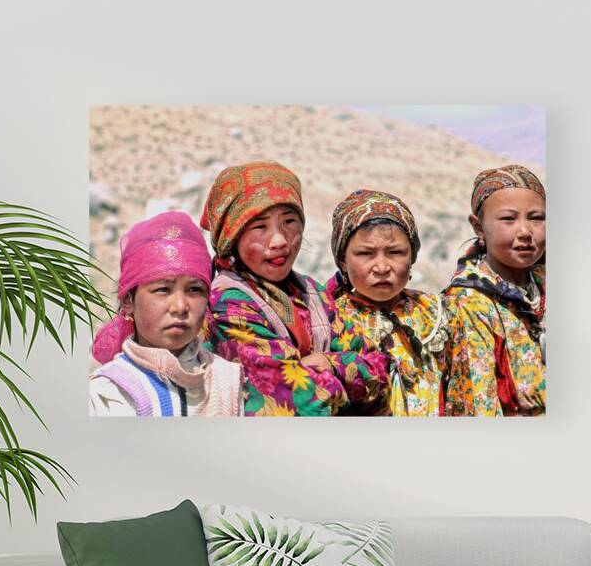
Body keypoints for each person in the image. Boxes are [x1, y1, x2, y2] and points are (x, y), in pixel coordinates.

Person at [201, 161, 387, 417]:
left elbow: (380, 370)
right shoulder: (227, 303)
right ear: (232, 236)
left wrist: (330, 364)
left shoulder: (313, 293)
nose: (279, 241)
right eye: (260, 227)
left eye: (289, 221)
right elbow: (301, 399)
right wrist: (348, 373)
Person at [89, 211, 243, 417]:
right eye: (163, 290)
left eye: (194, 289)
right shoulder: (107, 393)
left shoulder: (228, 381)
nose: (180, 306)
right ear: (128, 300)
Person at [327, 189, 445, 416]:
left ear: (412, 257)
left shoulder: (437, 314)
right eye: (365, 253)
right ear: (342, 260)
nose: (382, 268)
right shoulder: (331, 321)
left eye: (395, 252)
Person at [441, 165, 546, 416]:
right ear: (479, 228)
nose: (525, 232)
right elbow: (479, 403)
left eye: (536, 218)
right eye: (508, 219)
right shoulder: (468, 304)